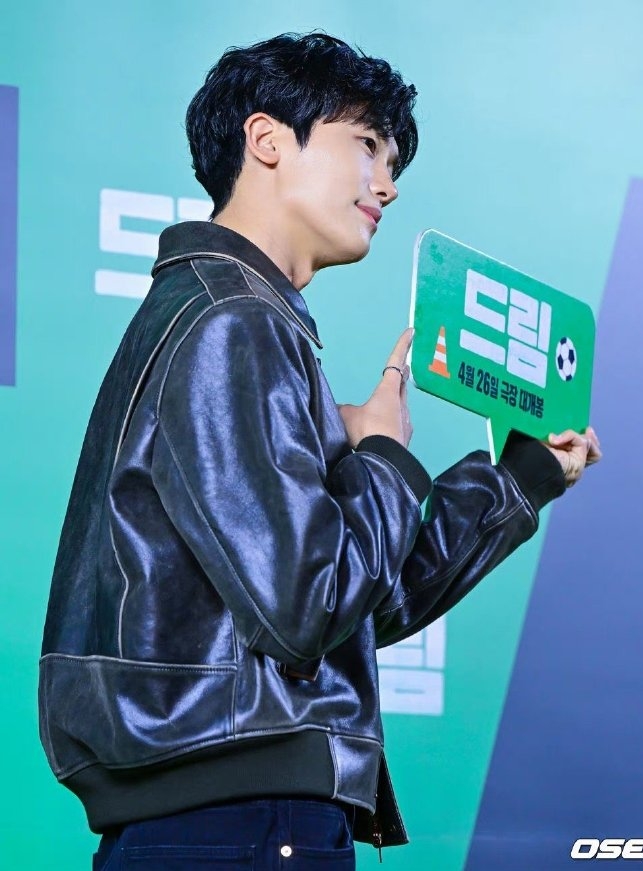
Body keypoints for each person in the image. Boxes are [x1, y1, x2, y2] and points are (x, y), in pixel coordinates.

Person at [39, 32, 601, 870]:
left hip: (232, 813)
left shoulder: (234, 316)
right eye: (367, 144)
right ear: (267, 140)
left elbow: (355, 604)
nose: (389, 182)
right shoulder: (232, 320)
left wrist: (521, 477)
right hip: (238, 822)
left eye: (393, 160)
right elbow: (306, 605)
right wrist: (382, 456)